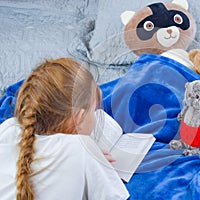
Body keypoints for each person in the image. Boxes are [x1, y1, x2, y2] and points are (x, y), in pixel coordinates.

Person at [0, 58, 129, 200]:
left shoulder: (7, 128)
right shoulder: (81, 149)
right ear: (78, 118)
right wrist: (96, 164)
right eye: (93, 111)